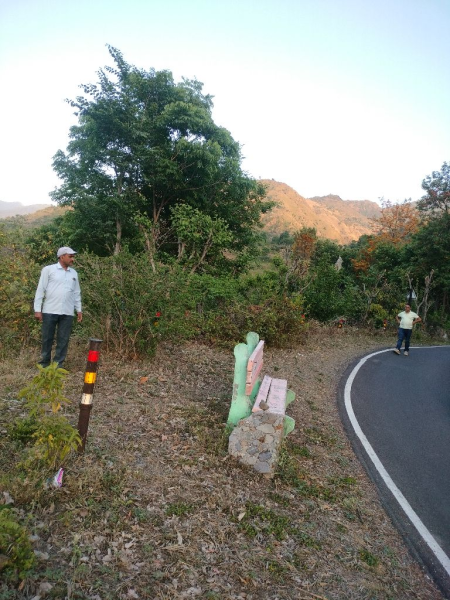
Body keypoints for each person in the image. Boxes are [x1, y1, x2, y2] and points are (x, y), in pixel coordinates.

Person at [34, 246, 83, 368]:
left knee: (63, 339)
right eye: (70, 256)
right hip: (50, 310)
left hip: (67, 311)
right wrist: (37, 310)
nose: (72, 259)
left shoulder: (74, 273)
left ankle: (57, 365)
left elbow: (76, 292)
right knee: (47, 338)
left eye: (73, 256)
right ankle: (44, 363)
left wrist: (79, 309)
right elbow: (40, 290)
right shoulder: (48, 270)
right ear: (62, 257)